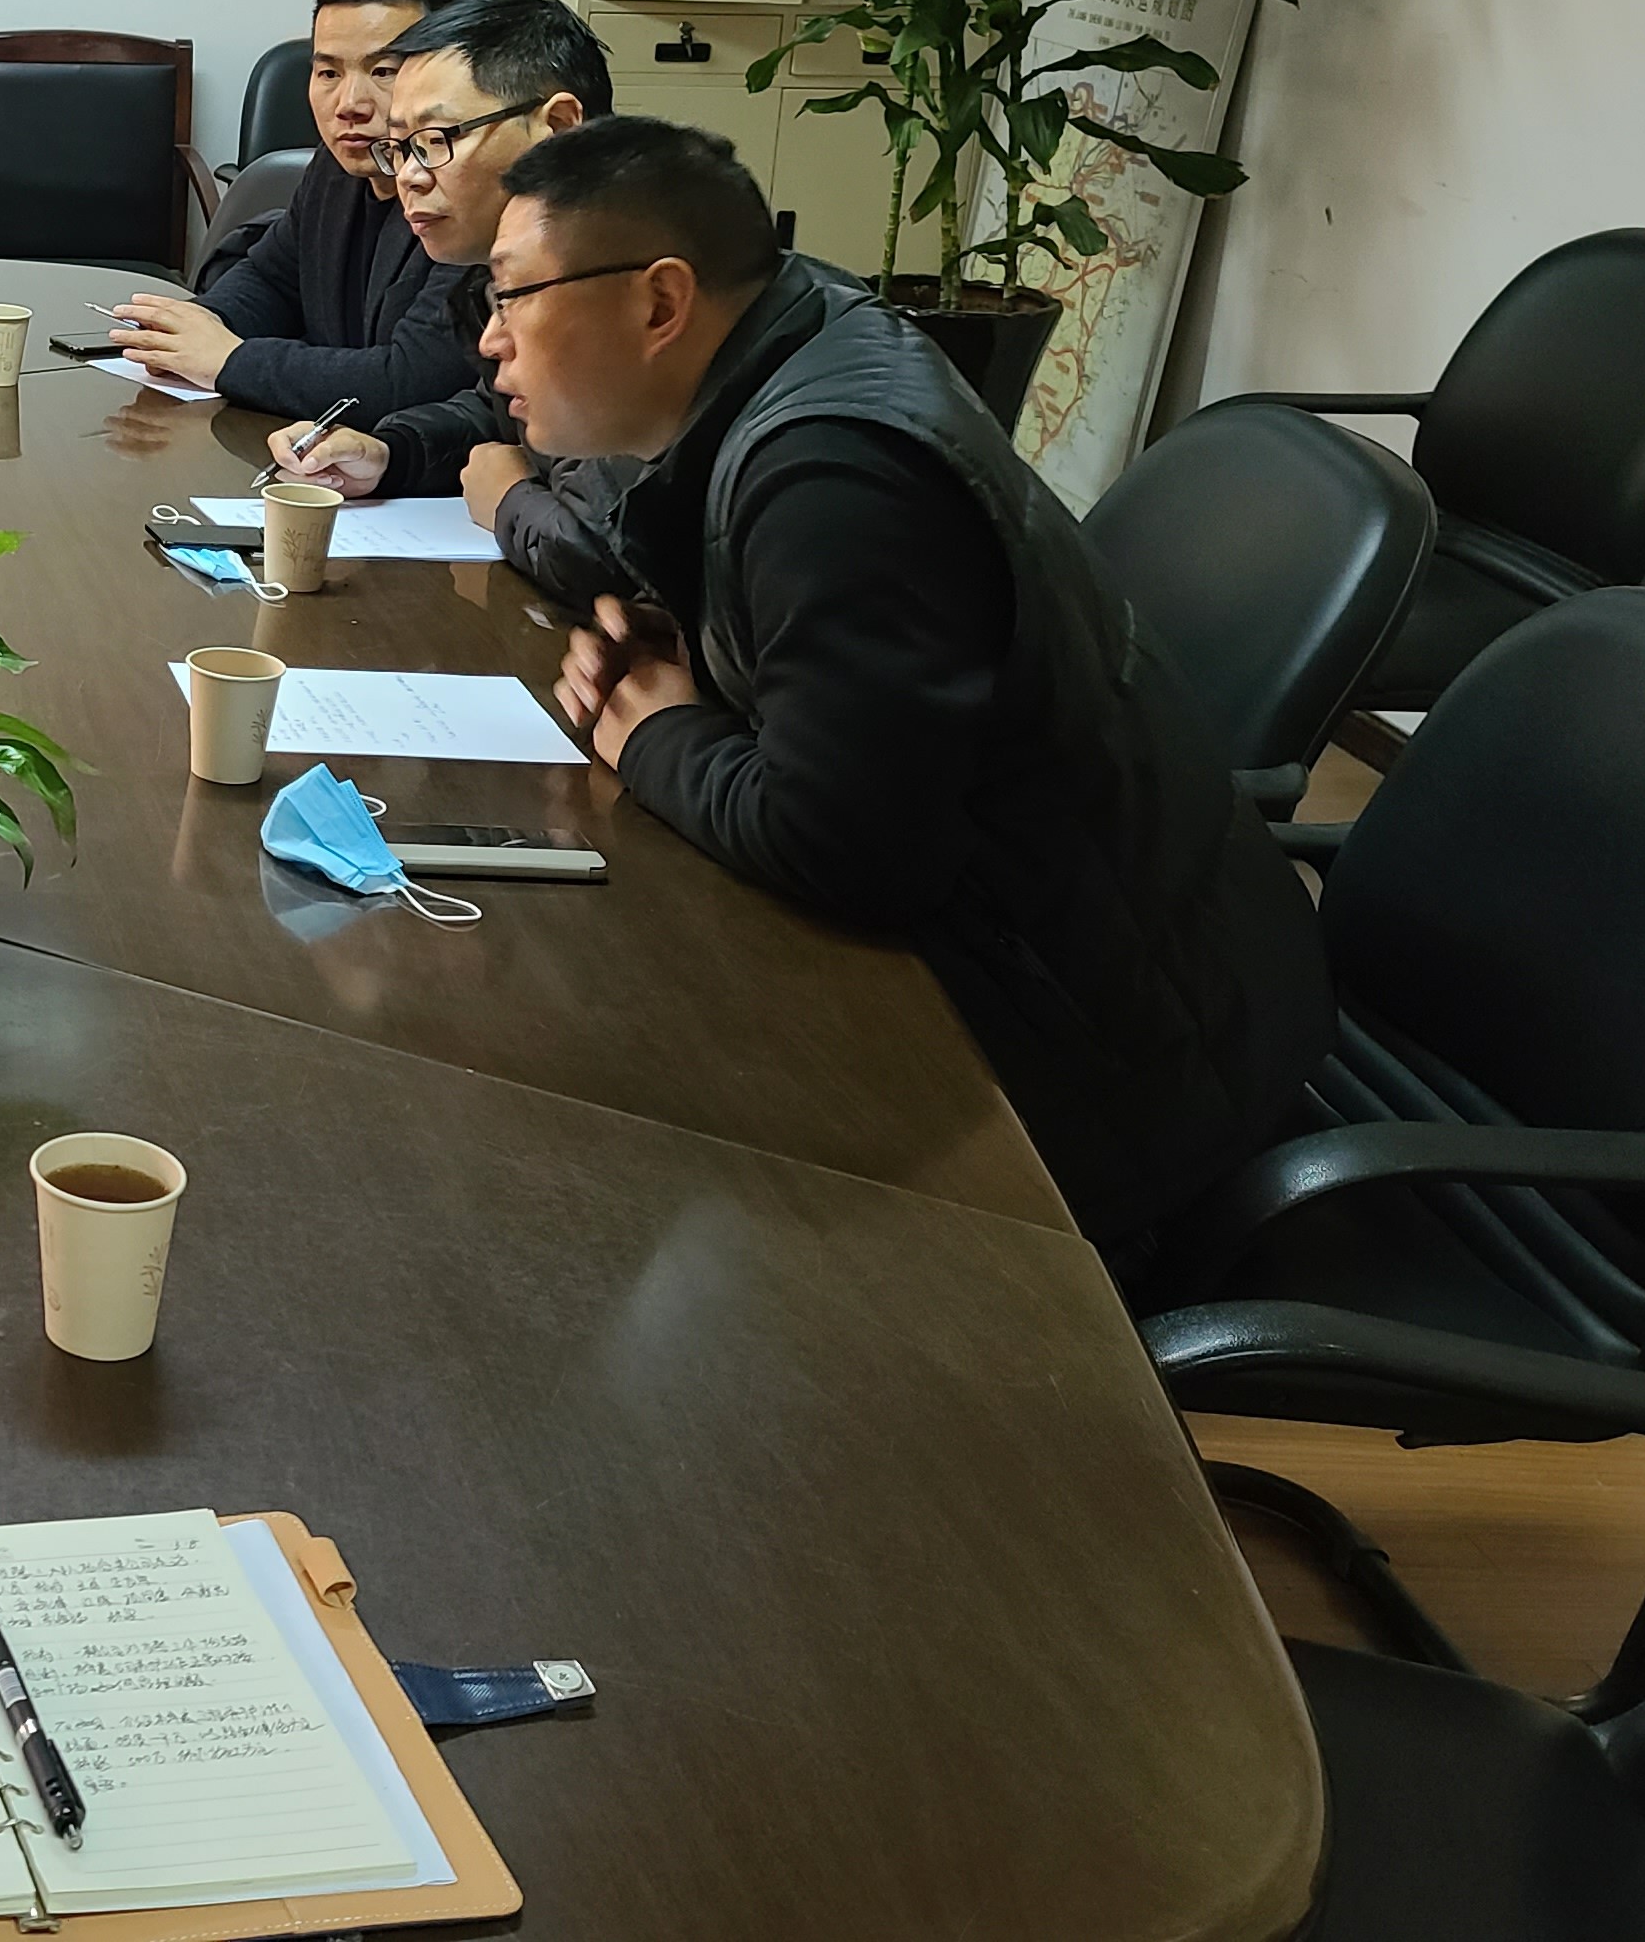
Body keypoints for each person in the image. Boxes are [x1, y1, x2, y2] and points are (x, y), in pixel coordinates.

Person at [476, 116, 1326, 1251]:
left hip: (1101, 1079)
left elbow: (851, 851)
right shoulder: (800, 336)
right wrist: (699, 654)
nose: (489, 339)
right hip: (1086, 969)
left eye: (511, 295)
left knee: (601, 1182)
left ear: (661, 302)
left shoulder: (833, 472)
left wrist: (658, 734)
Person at [273, 0, 612, 585]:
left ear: (557, 128)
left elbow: (625, 552)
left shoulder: (624, 281)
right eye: (401, 147)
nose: (408, 176)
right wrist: (388, 455)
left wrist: (510, 500)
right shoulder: (505, 271)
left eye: (435, 141)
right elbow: (492, 414)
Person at [109, 0, 475, 418]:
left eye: (383, 71)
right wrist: (198, 326)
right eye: (328, 72)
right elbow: (274, 278)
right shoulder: (334, 167)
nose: (349, 104)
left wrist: (228, 360)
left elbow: (410, 380)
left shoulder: (469, 193)